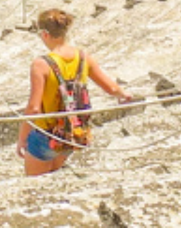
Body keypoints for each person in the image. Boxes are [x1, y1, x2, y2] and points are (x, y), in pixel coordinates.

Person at [17, 9, 132, 176]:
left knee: (35, 183)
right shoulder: (83, 57)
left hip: (45, 135)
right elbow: (111, 88)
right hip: (72, 133)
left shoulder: (41, 64)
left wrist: (22, 138)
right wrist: (124, 95)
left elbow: (34, 108)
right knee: (53, 178)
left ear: (44, 34)